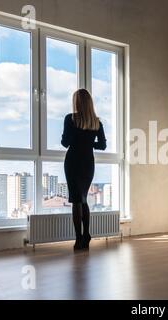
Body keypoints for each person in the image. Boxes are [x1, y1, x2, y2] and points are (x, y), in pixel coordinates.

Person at [61, 89, 107, 250]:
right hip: (88, 163)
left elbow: (65, 142)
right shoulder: (97, 122)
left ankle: (78, 238)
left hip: (73, 161)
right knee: (84, 199)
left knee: (76, 201)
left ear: (76, 102)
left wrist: (77, 139)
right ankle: (86, 235)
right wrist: (88, 143)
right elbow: (102, 145)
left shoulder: (70, 118)